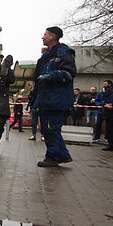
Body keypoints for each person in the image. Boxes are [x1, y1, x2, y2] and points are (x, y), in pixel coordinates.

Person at [31, 26, 76, 167]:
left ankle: (53, 157)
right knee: (48, 129)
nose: (42, 37)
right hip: (45, 99)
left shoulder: (63, 53)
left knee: (51, 129)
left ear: (52, 37)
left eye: (45, 34)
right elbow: (38, 79)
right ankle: (63, 155)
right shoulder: (46, 56)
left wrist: (50, 76)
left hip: (56, 100)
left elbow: (69, 73)